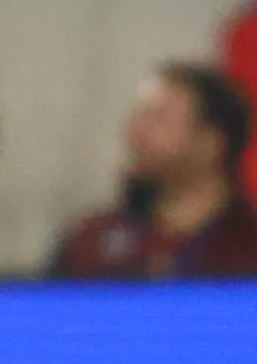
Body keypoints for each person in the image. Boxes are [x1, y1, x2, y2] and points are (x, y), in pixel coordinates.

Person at [49, 63, 257, 278]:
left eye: (159, 118)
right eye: (138, 117)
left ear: (210, 143)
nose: (136, 133)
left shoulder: (248, 248)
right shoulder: (89, 244)